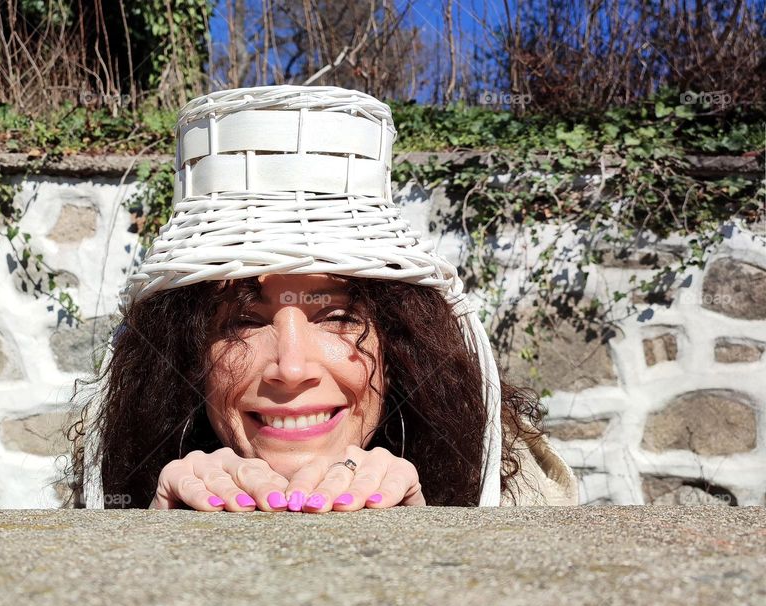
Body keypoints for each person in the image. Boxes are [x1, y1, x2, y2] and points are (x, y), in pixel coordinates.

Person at [69, 85, 578, 511]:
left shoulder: (512, 479)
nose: (291, 370)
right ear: (185, 353)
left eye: (336, 316)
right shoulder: (110, 472)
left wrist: (423, 535)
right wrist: (157, 537)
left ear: (402, 342)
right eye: (243, 322)